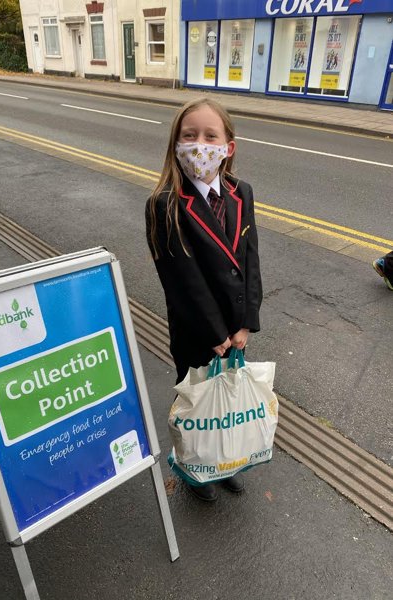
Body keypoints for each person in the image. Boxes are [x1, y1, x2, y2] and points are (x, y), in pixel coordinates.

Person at [145, 98, 263, 502]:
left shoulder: (241, 192)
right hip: (198, 329)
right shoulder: (166, 203)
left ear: (228, 146)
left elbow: (249, 261)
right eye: (189, 135)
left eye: (210, 136)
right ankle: (196, 471)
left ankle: (226, 462)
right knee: (197, 404)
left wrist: (245, 322)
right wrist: (215, 332)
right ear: (176, 145)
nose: (200, 144)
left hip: (236, 328)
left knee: (227, 403)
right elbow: (181, 280)